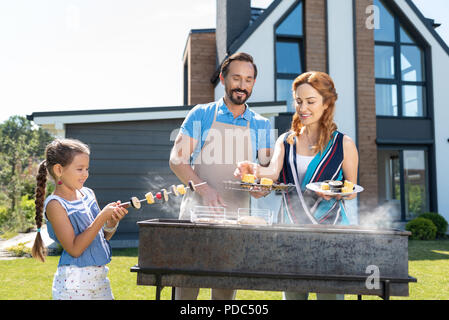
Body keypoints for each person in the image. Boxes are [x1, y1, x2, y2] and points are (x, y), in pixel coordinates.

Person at [235, 71, 359, 300]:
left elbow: (350, 189)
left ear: (327, 103)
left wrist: (338, 193)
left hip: (330, 235)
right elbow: (271, 174)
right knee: (292, 296)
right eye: (299, 101)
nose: (303, 108)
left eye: (311, 102)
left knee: (329, 297)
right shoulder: (286, 140)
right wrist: (252, 169)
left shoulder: (344, 144)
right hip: (290, 232)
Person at [169, 52, 273, 300]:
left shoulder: (262, 124)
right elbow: (177, 160)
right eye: (236, 78)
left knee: (225, 292)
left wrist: (262, 188)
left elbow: (267, 173)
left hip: (237, 219)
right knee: (186, 287)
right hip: (196, 214)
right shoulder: (202, 114)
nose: (242, 85)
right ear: (223, 79)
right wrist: (205, 190)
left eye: (248, 80)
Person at [31, 138, 128, 300]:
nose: (86, 174)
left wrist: (111, 223)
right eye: (79, 169)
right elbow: (75, 249)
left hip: (100, 279)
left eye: (87, 169)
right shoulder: (55, 204)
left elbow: (100, 238)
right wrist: (102, 216)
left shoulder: (88, 194)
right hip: (74, 283)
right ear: (59, 170)